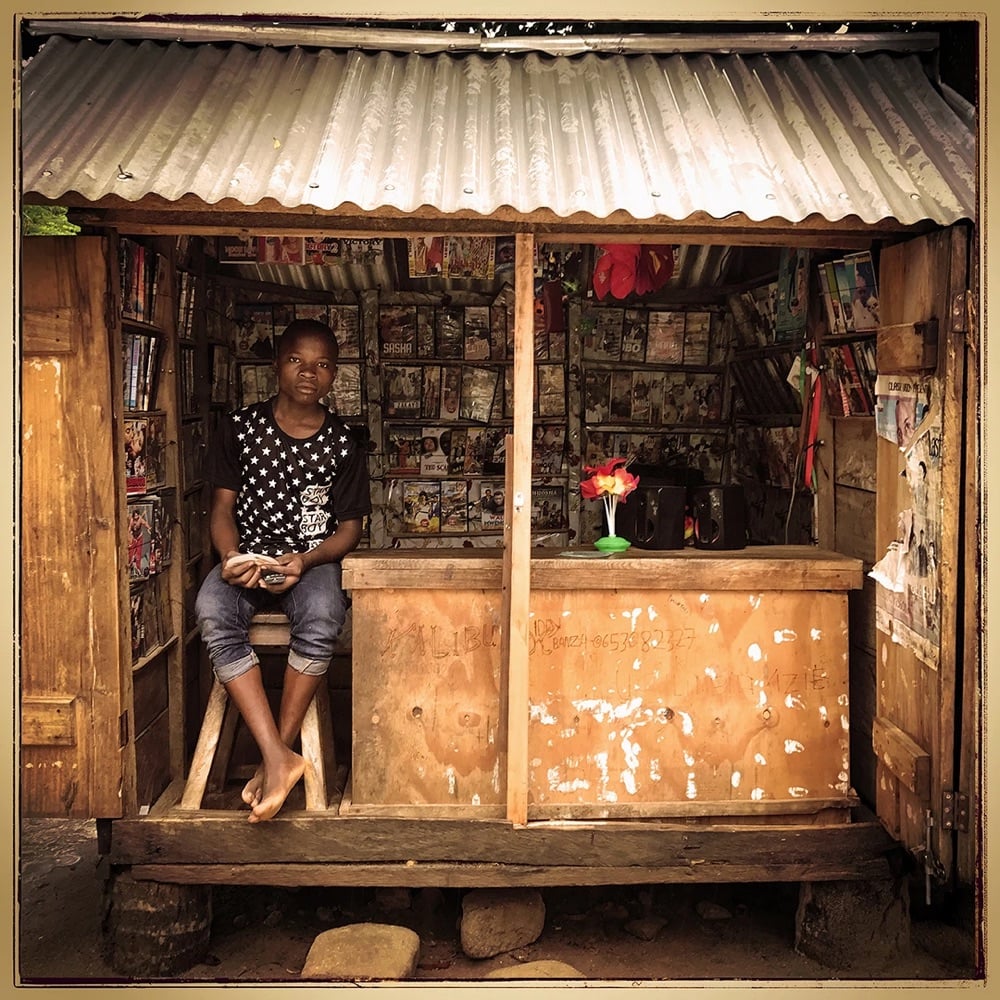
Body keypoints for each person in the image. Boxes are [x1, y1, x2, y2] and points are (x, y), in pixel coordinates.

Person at [195, 319, 371, 823]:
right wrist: (231, 558)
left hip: (308, 561)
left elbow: (349, 530)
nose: (308, 373)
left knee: (321, 614)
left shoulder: (343, 443)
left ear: (335, 374)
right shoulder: (240, 429)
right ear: (277, 365)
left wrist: (306, 560)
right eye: (297, 360)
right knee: (211, 610)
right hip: (248, 554)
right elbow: (222, 509)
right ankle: (277, 758)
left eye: (321, 364)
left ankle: (277, 757)